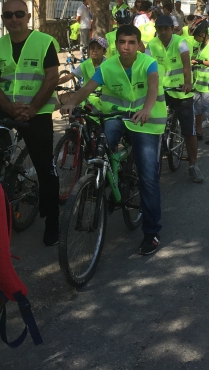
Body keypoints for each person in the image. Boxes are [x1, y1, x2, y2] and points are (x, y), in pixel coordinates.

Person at [0, 0, 61, 245]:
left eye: (19, 14)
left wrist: (31, 109)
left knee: (45, 167)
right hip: (6, 108)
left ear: (28, 17)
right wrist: (9, 108)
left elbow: (51, 79)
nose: (14, 19)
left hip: (36, 112)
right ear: (3, 19)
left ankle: (53, 219)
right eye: (8, 15)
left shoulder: (45, 42)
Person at [60, 25, 165, 256]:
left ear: (139, 45)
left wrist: (147, 109)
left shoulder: (148, 64)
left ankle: (152, 232)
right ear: (116, 45)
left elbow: (154, 86)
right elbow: (87, 88)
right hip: (117, 116)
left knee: (148, 178)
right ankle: (99, 181)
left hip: (146, 121)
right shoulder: (107, 66)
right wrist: (71, 102)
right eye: (122, 42)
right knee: (100, 150)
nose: (126, 47)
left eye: (131, 42)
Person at [147, 14, 204, 183]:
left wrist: (188, 83)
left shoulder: (181, 42)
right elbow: (146, 66)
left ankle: (193, 165)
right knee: (149, 124)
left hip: (180, 91)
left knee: (189, 130)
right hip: (159, 91)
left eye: (166, 29)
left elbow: (186, 64)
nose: (163, 32)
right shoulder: (151, 44)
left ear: (173, 29)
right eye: (160, 29)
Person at [58, 37, 107, 110]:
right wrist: (54, 83)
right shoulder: (85, 64)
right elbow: (70, 76)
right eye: (92, 48)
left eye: (99, 48)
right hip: (87, 102)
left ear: (104, 51)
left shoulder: (108, 65)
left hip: (104, 102)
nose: (95, 50)